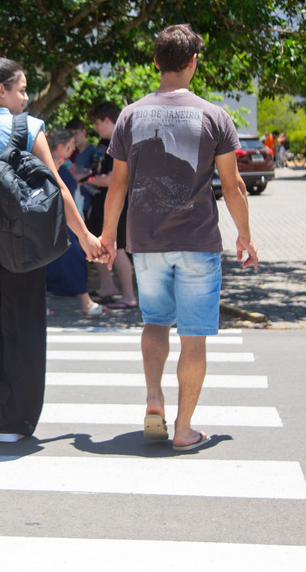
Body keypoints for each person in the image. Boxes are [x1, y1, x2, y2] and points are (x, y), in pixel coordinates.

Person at [101, 23, 258, 450]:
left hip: (146, 242)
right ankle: (184, 429)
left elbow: (117, 185)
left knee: (154, 321)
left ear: (155, 63)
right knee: (193, 335)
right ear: (193, 63)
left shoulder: (131, 115)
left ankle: (154, 398)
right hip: (198, 242)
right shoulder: (214, 115)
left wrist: (107, 236)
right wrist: (244, 235)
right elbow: (233, 185)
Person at [0, 54, 107, 443]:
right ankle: (15, 424)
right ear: (1, 90)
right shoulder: (29, 128)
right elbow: (58, 187)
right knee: (24, 322)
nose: (26, 98)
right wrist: (84, 237)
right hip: (19, 229)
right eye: (22, 89)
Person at [44, 128, 105, 317]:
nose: (73, 149)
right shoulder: (53, 165)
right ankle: (86, 302)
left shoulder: (59, 164)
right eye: (70, 145)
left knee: (61, 260)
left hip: (59, 221)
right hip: (57, 221)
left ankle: (84, 301)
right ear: (62, 146)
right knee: (73, 258)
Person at [85, 101, 137, 310]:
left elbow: (115, 178)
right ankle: (108, 287)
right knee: (98, 245)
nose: (96, 128)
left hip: (119, 204)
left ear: (108, 120)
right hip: (100, 202)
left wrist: (87, 181)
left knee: (120, 249)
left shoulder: (122, 141)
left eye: (97, 124)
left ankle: (129, 296)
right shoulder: (104, 142)